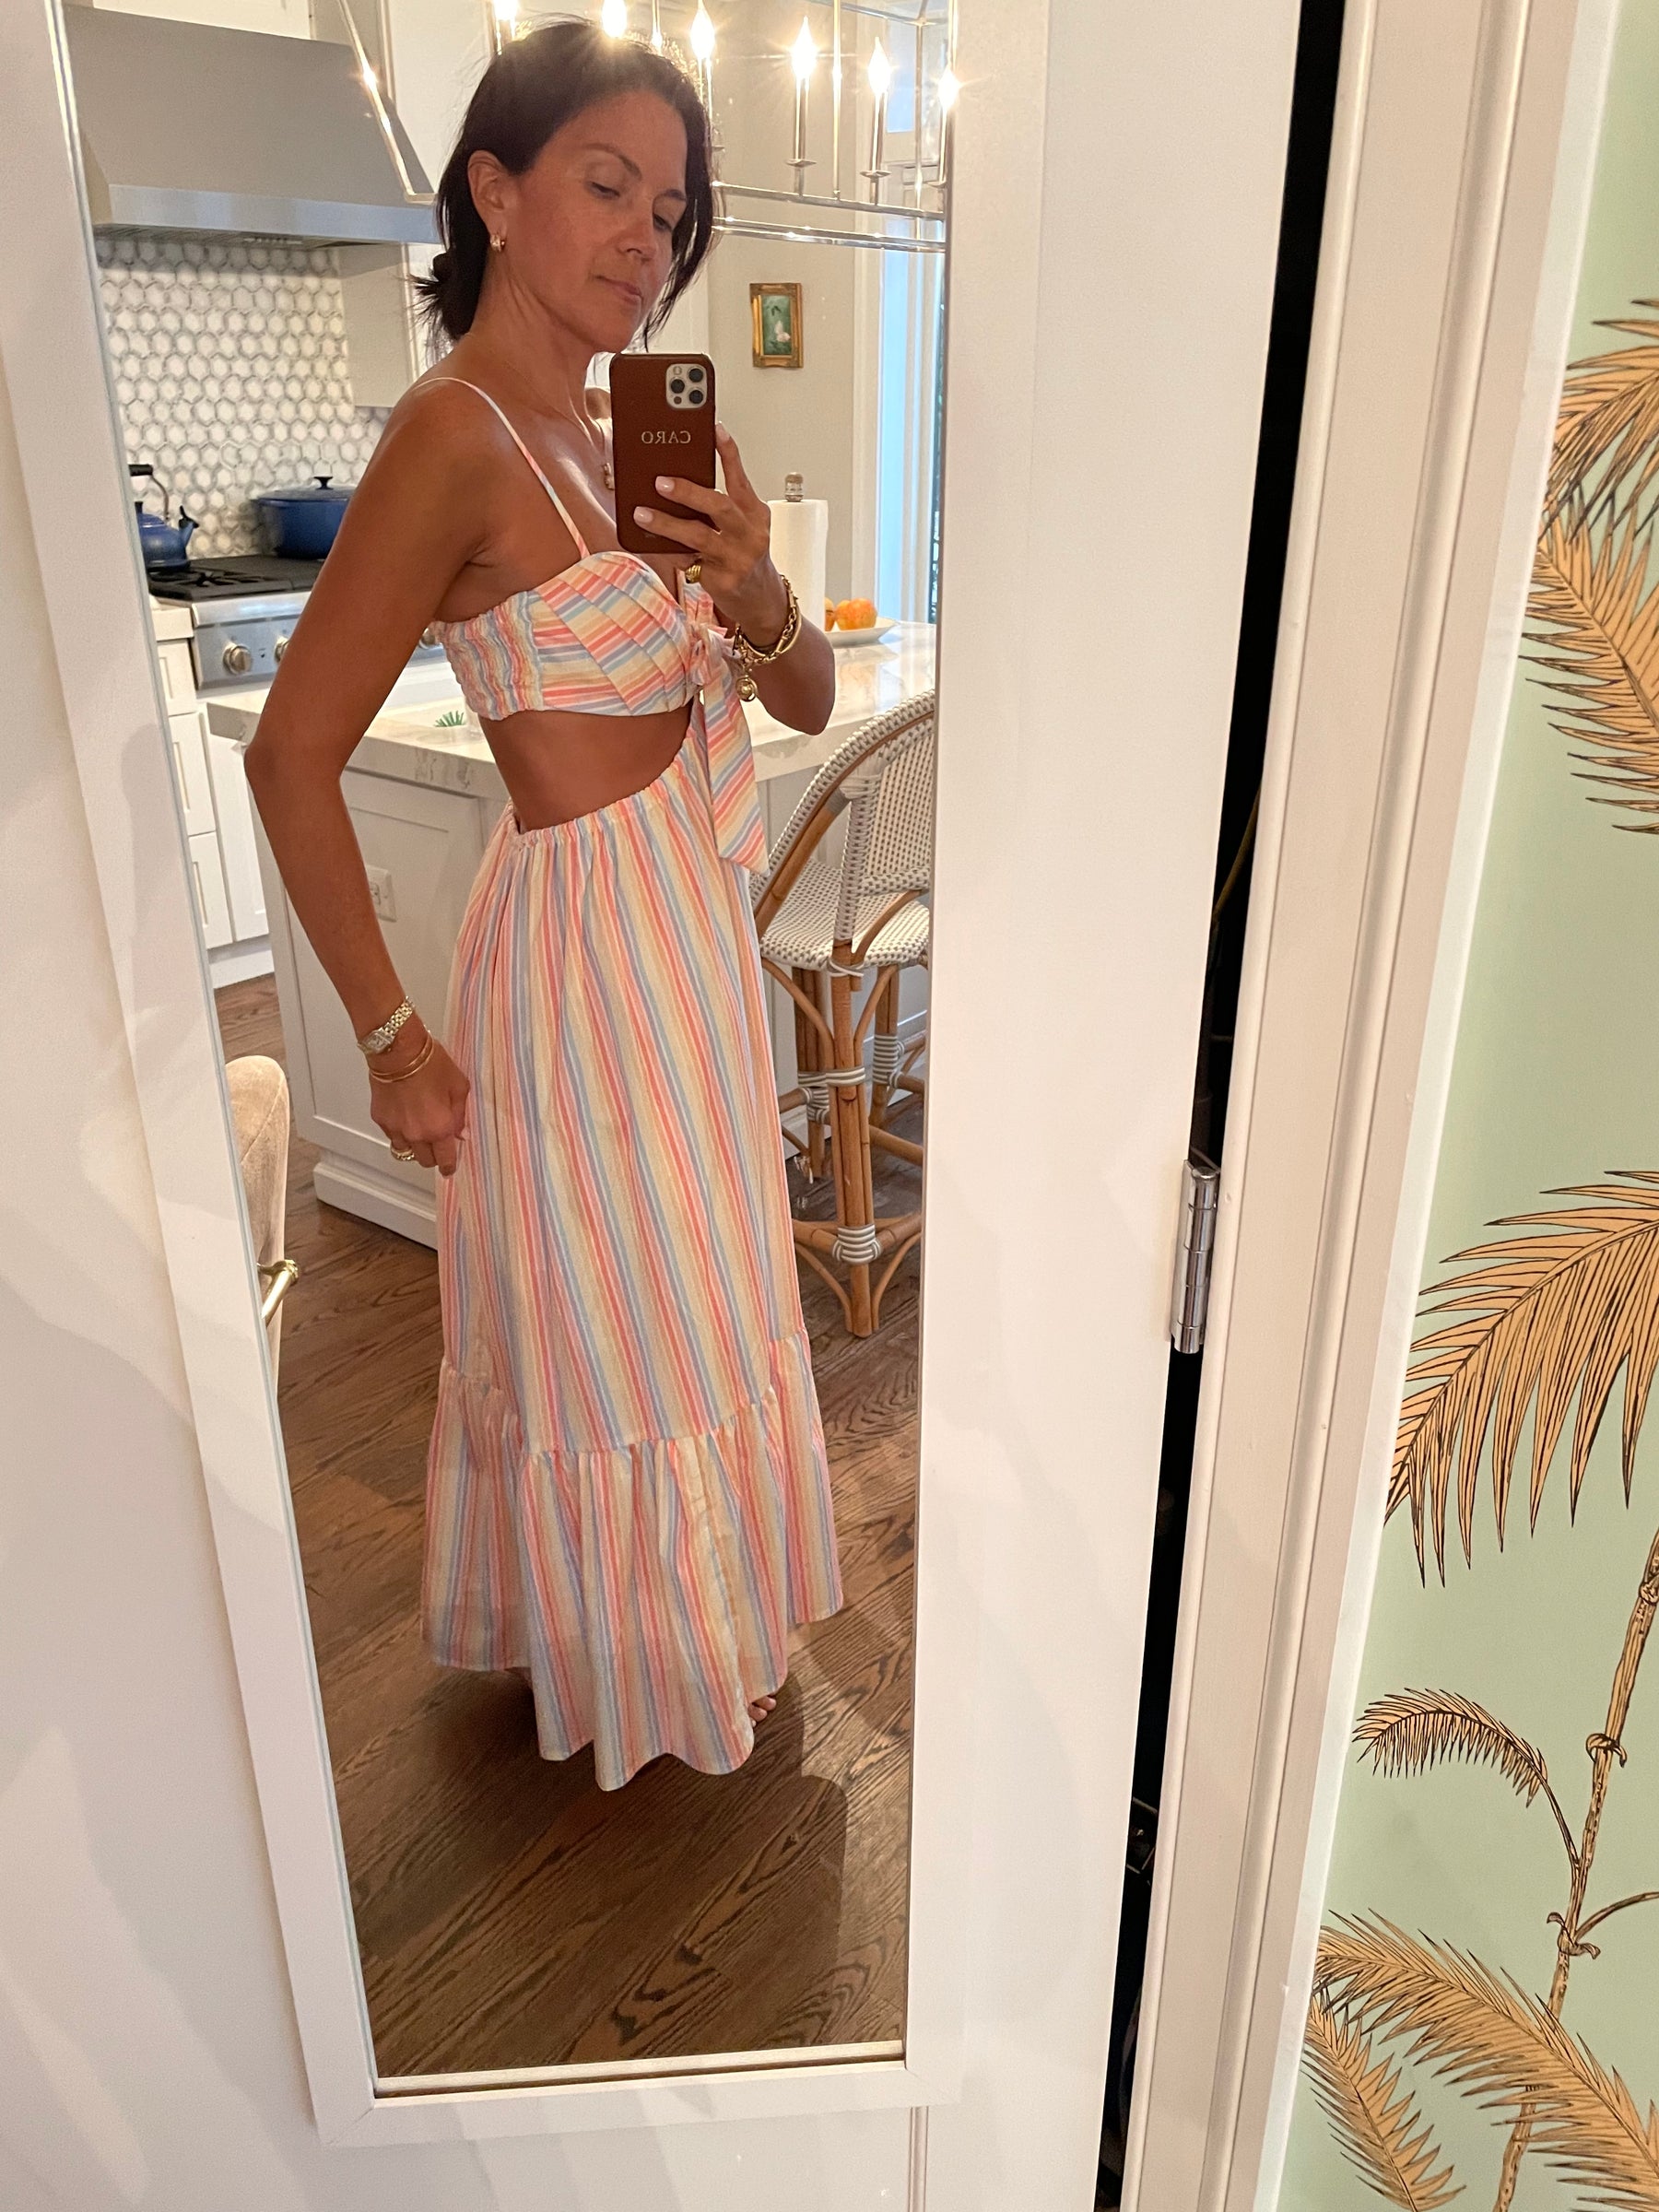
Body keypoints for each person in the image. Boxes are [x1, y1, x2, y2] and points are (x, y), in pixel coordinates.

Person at [243, 21, 843, 1792]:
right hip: (583, 957)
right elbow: (291, 754)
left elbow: (805, 702)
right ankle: (639, 1656)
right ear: (495, 194)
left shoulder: (623, 431)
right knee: (618, 1322)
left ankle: (695, 1622)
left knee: (698, 1296)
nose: (645, 238)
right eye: (607, 186)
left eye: (669, 210)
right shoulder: (455, 436)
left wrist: (756, 587)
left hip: (689, 939)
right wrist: (390, 1038)